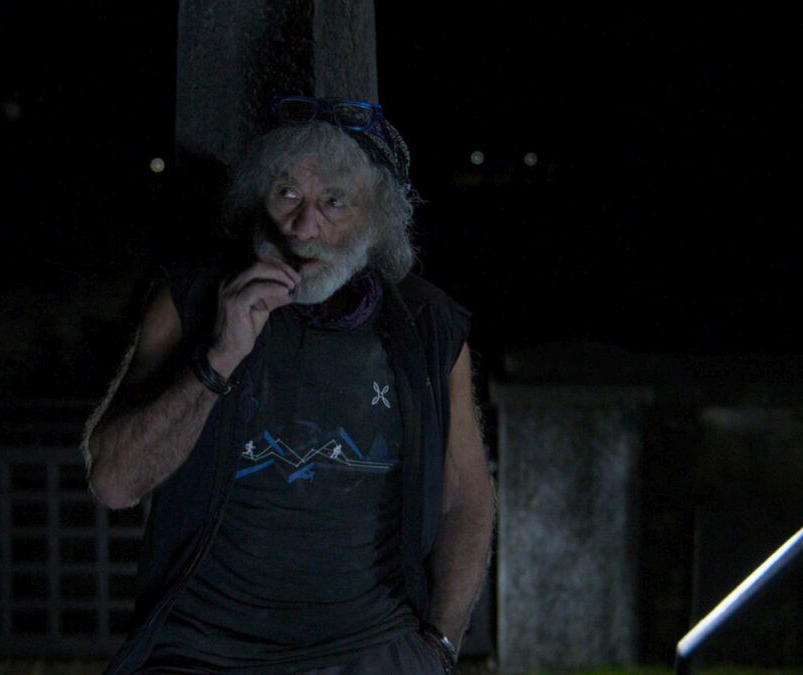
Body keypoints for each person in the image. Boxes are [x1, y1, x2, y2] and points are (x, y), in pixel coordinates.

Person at [82, 95, 496, 674]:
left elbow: (468, 498)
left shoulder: (426, 325)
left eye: (334, 202)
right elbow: (113, 483)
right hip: (201, 652)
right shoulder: (192, 298)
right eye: (287, 194)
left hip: (372, 649)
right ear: (259, 199)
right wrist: (218, 357)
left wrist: (439, 648)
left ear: (376, 220)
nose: (304, 227)